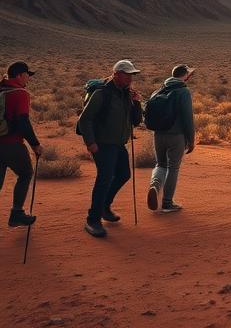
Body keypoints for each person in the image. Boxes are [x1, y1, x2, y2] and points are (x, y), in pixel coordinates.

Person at [0, 61, 43, 246]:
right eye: (28, 75)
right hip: (11, 144)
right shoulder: (20, 94)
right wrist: (35, 144)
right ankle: (17, 213)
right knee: (25, 173)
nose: (29, 78)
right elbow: (23, 121)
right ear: (20, 75)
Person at [77, 59, 143, 238]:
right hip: (103, 144)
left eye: (131, 75)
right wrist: (90, 143)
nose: (130, 78)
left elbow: (136, 121)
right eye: (127, 75)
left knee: (123, 175)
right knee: (104, 178)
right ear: (116, 75)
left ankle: (105, 207)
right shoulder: (102, 94)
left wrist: (136, 103)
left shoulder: (126, 94)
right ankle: (93, 219)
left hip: (118, 144)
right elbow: (85, 120)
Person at [147, 64, 196, 213]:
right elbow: (188, 118)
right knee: (173, 168)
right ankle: (167, 203)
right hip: (176, 136)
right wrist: (191, 140)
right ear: (186, 75)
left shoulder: (159, 90)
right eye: (189, 74)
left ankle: (155, 185)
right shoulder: (183, 92)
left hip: (158, 134)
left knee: (160, 164)